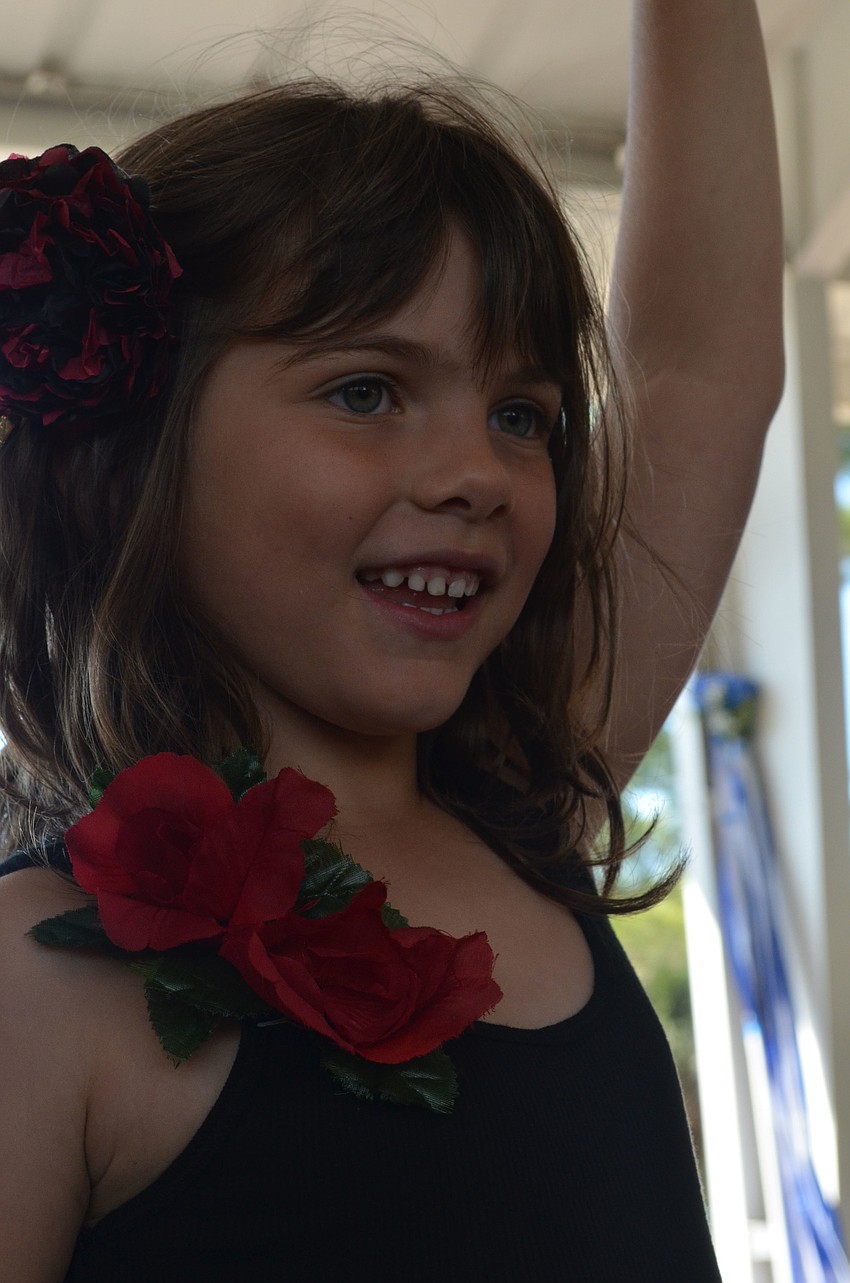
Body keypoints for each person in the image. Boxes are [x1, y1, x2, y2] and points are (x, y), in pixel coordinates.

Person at [0, 1, 783, 1279]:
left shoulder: (524, 785)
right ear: (138, 448)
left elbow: (694, 368)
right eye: (366, 390)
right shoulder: (30, 977)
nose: (477, 469)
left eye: (524, 413)